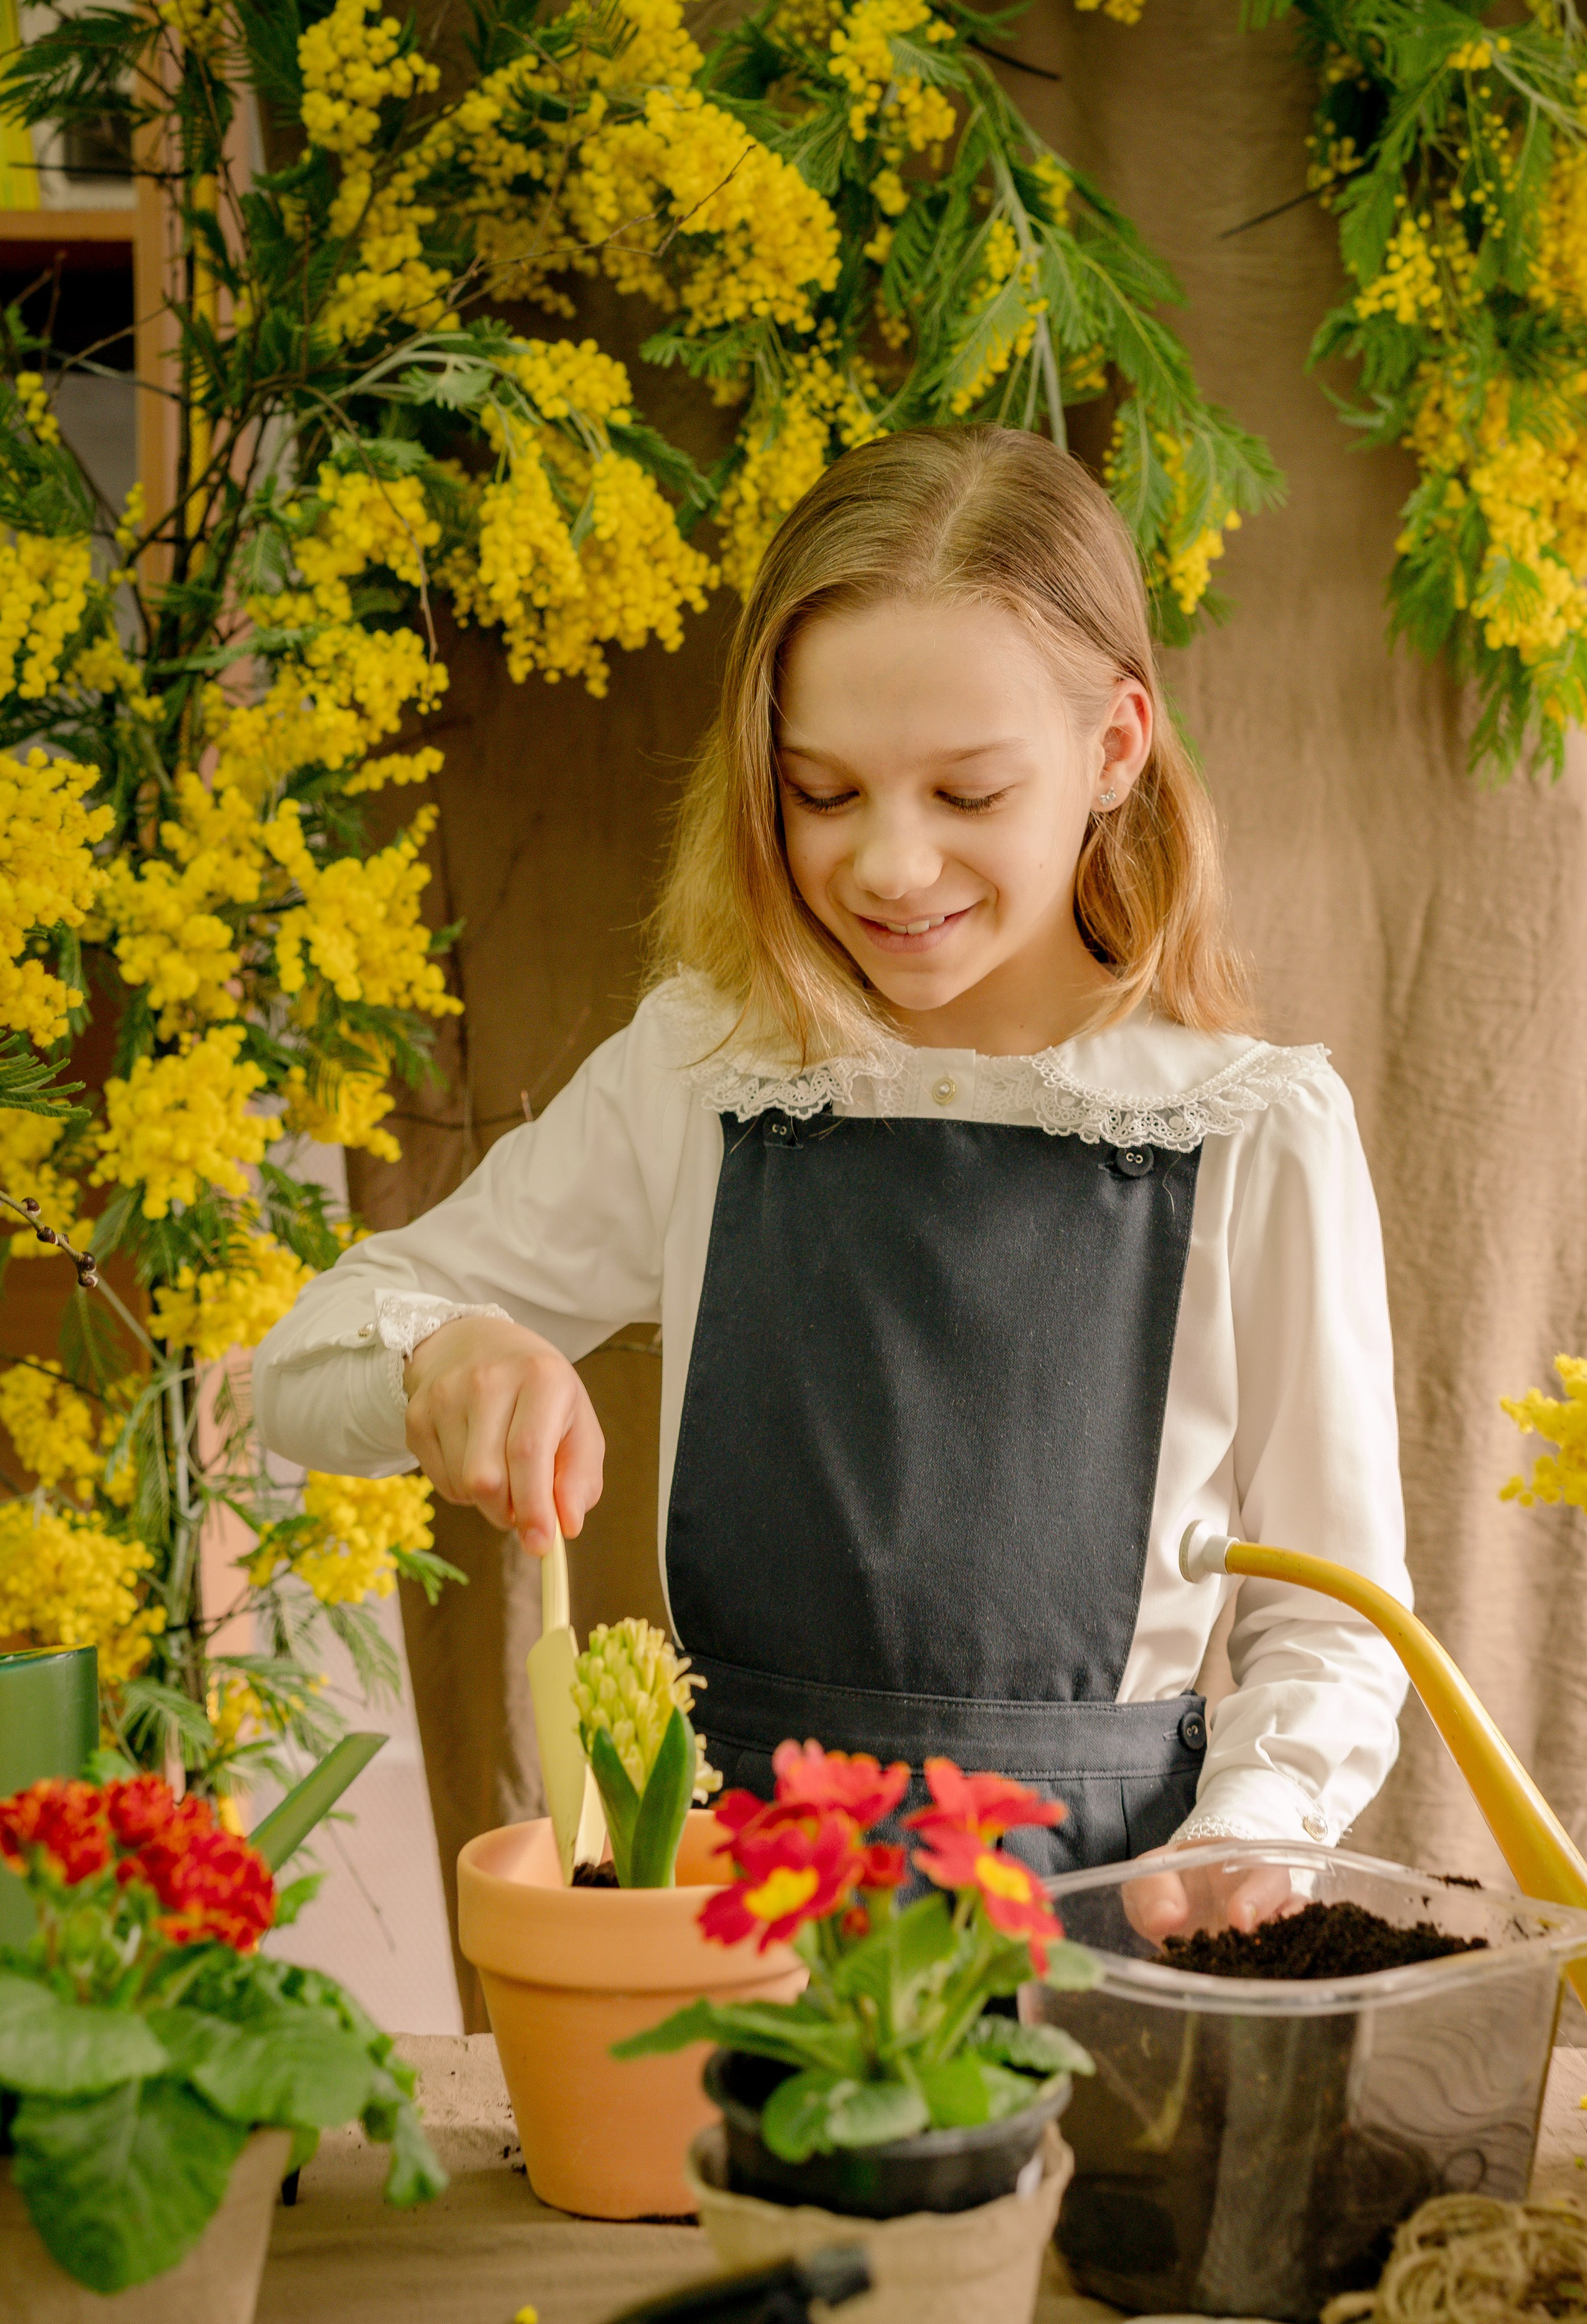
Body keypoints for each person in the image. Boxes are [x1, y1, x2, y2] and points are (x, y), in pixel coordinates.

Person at [254, 424, 1411, 1939]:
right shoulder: (709, 1078)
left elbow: (1334, 1624)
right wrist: (440, 1356)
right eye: (822, 791)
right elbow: (300, 1368)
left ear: (1114, 749)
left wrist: (1254, 1832)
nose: (889, 865)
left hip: (1103, 1944)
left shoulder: (1251, 1132)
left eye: (967, 795)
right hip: (728, 1931)